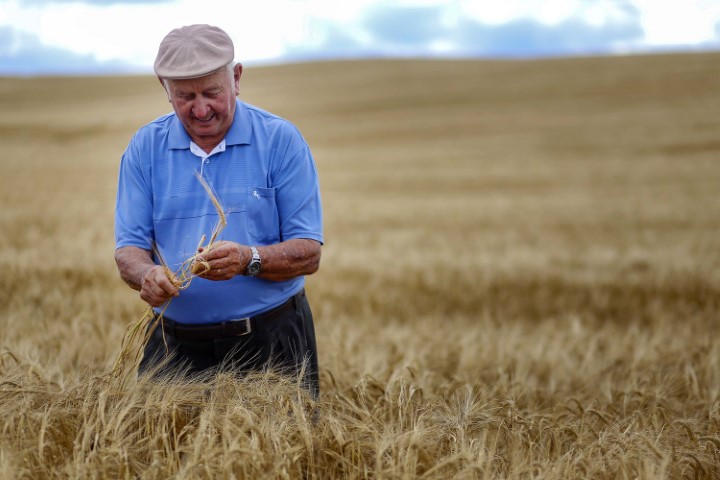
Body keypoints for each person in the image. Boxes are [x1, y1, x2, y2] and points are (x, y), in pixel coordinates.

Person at [114, 24, 323, 398]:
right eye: (185, 96)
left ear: (237, 77)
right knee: (161, 454)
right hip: (174, 348)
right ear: (164, 88)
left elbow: (308, 252)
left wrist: (248, 258)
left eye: (212, 92)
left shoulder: (280, 140)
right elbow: (128, 250)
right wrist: (147, 275)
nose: (201, 108)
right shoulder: (144, 149)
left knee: (284, 454)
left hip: (271, 341)